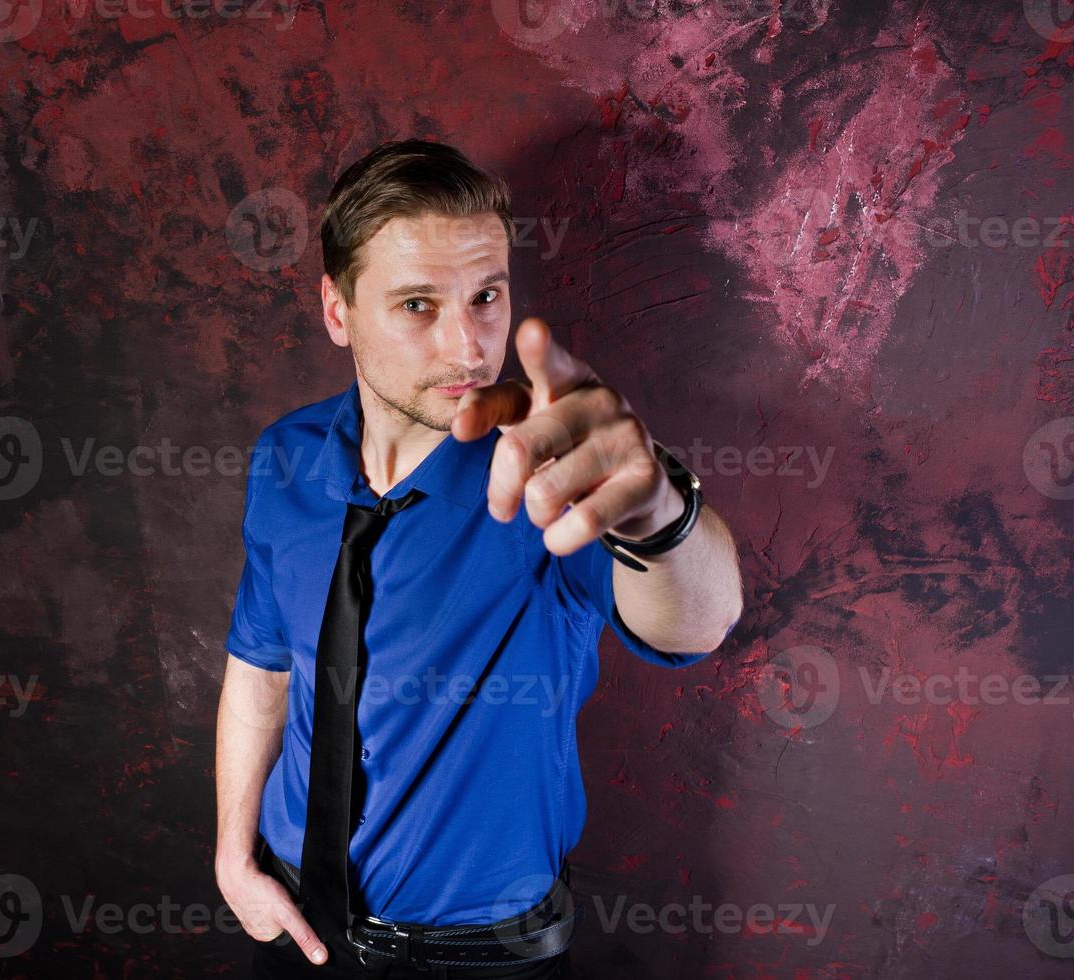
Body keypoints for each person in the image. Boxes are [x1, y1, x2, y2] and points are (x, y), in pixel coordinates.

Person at [214, 139, 744, 978]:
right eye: (418, 305)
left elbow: (703, 622)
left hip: (480, 960)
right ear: (336, 311)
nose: (467, 346)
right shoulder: (285, 459)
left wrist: (658, 513)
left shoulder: (552, 470)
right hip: (290, 925)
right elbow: (262, 665)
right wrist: (231, 860)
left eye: (486, 296)